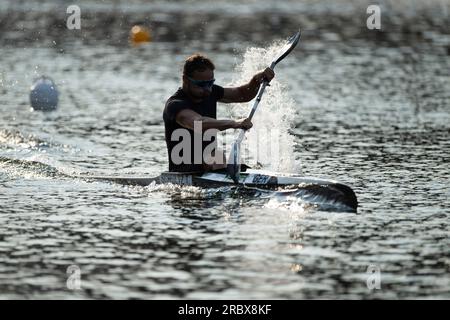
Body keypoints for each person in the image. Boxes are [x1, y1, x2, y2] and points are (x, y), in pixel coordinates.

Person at [163, 53, 274, 172]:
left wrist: (256, 80)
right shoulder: (175, 105)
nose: (207, 89)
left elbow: (243, 94)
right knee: (217, 156)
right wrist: (234, 123)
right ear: (185, 79)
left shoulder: (211, 92)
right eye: (201, 85)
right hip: (184, 171)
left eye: (210, 83)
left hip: (210, 167)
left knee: (221, 158)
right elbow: (198, 123)